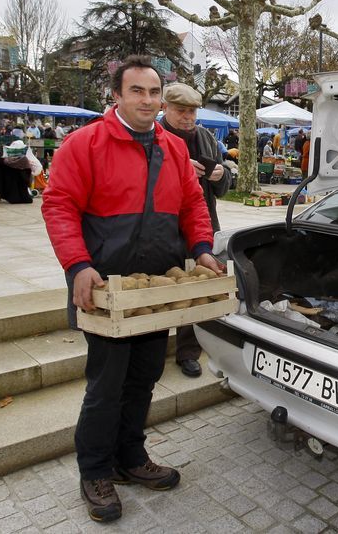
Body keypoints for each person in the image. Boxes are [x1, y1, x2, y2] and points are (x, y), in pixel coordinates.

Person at [42, 55, 219, 523]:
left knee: (144, 377)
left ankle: (130, 457)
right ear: (116, 95)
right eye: (136, 91)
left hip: (153, 288)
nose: (147, 100)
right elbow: (59, 205)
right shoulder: (85, 144)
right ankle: (95, 471)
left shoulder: (173, 148)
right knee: (106, 384)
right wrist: (78, 264)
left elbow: (193, 204)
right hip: (103, 285)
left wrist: (202, 248)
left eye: (154, 92)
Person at [159, 83, 231, 378]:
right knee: (161, 287)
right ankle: (152, 350)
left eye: (192, 111)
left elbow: (223, 188)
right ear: (165, 108)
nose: (188, 117)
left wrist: (221, 175)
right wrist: (176, 168)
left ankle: (188, 352)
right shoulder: (154, 136)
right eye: (181, 111)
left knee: (196, 288)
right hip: (163, 228)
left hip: (201, 226)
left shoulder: (206, 137)